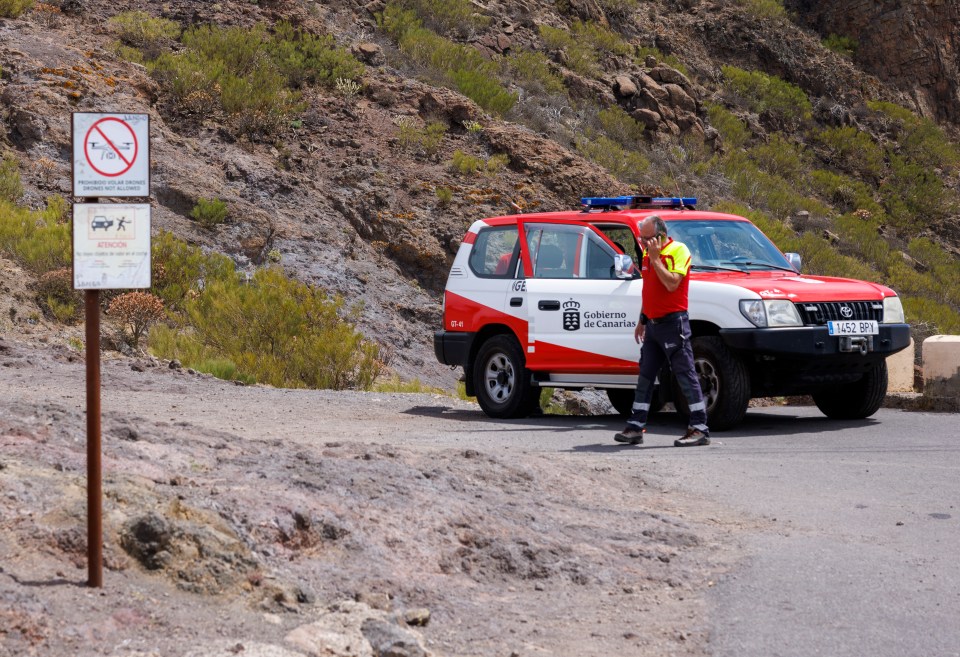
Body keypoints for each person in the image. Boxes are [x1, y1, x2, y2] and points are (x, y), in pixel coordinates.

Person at [614, 215, 710, 447]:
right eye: (641, 238)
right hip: (653, 325)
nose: (643, 243)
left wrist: (656, 260)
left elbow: (671, 284)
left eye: (646, 238)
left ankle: (699, 427)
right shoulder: (649, 252)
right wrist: (642, 319)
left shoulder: (677, 251)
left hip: (673, 324)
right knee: (645, 376)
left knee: (685, 374)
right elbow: (650, 290)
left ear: (661, 236)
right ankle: (635, 427)